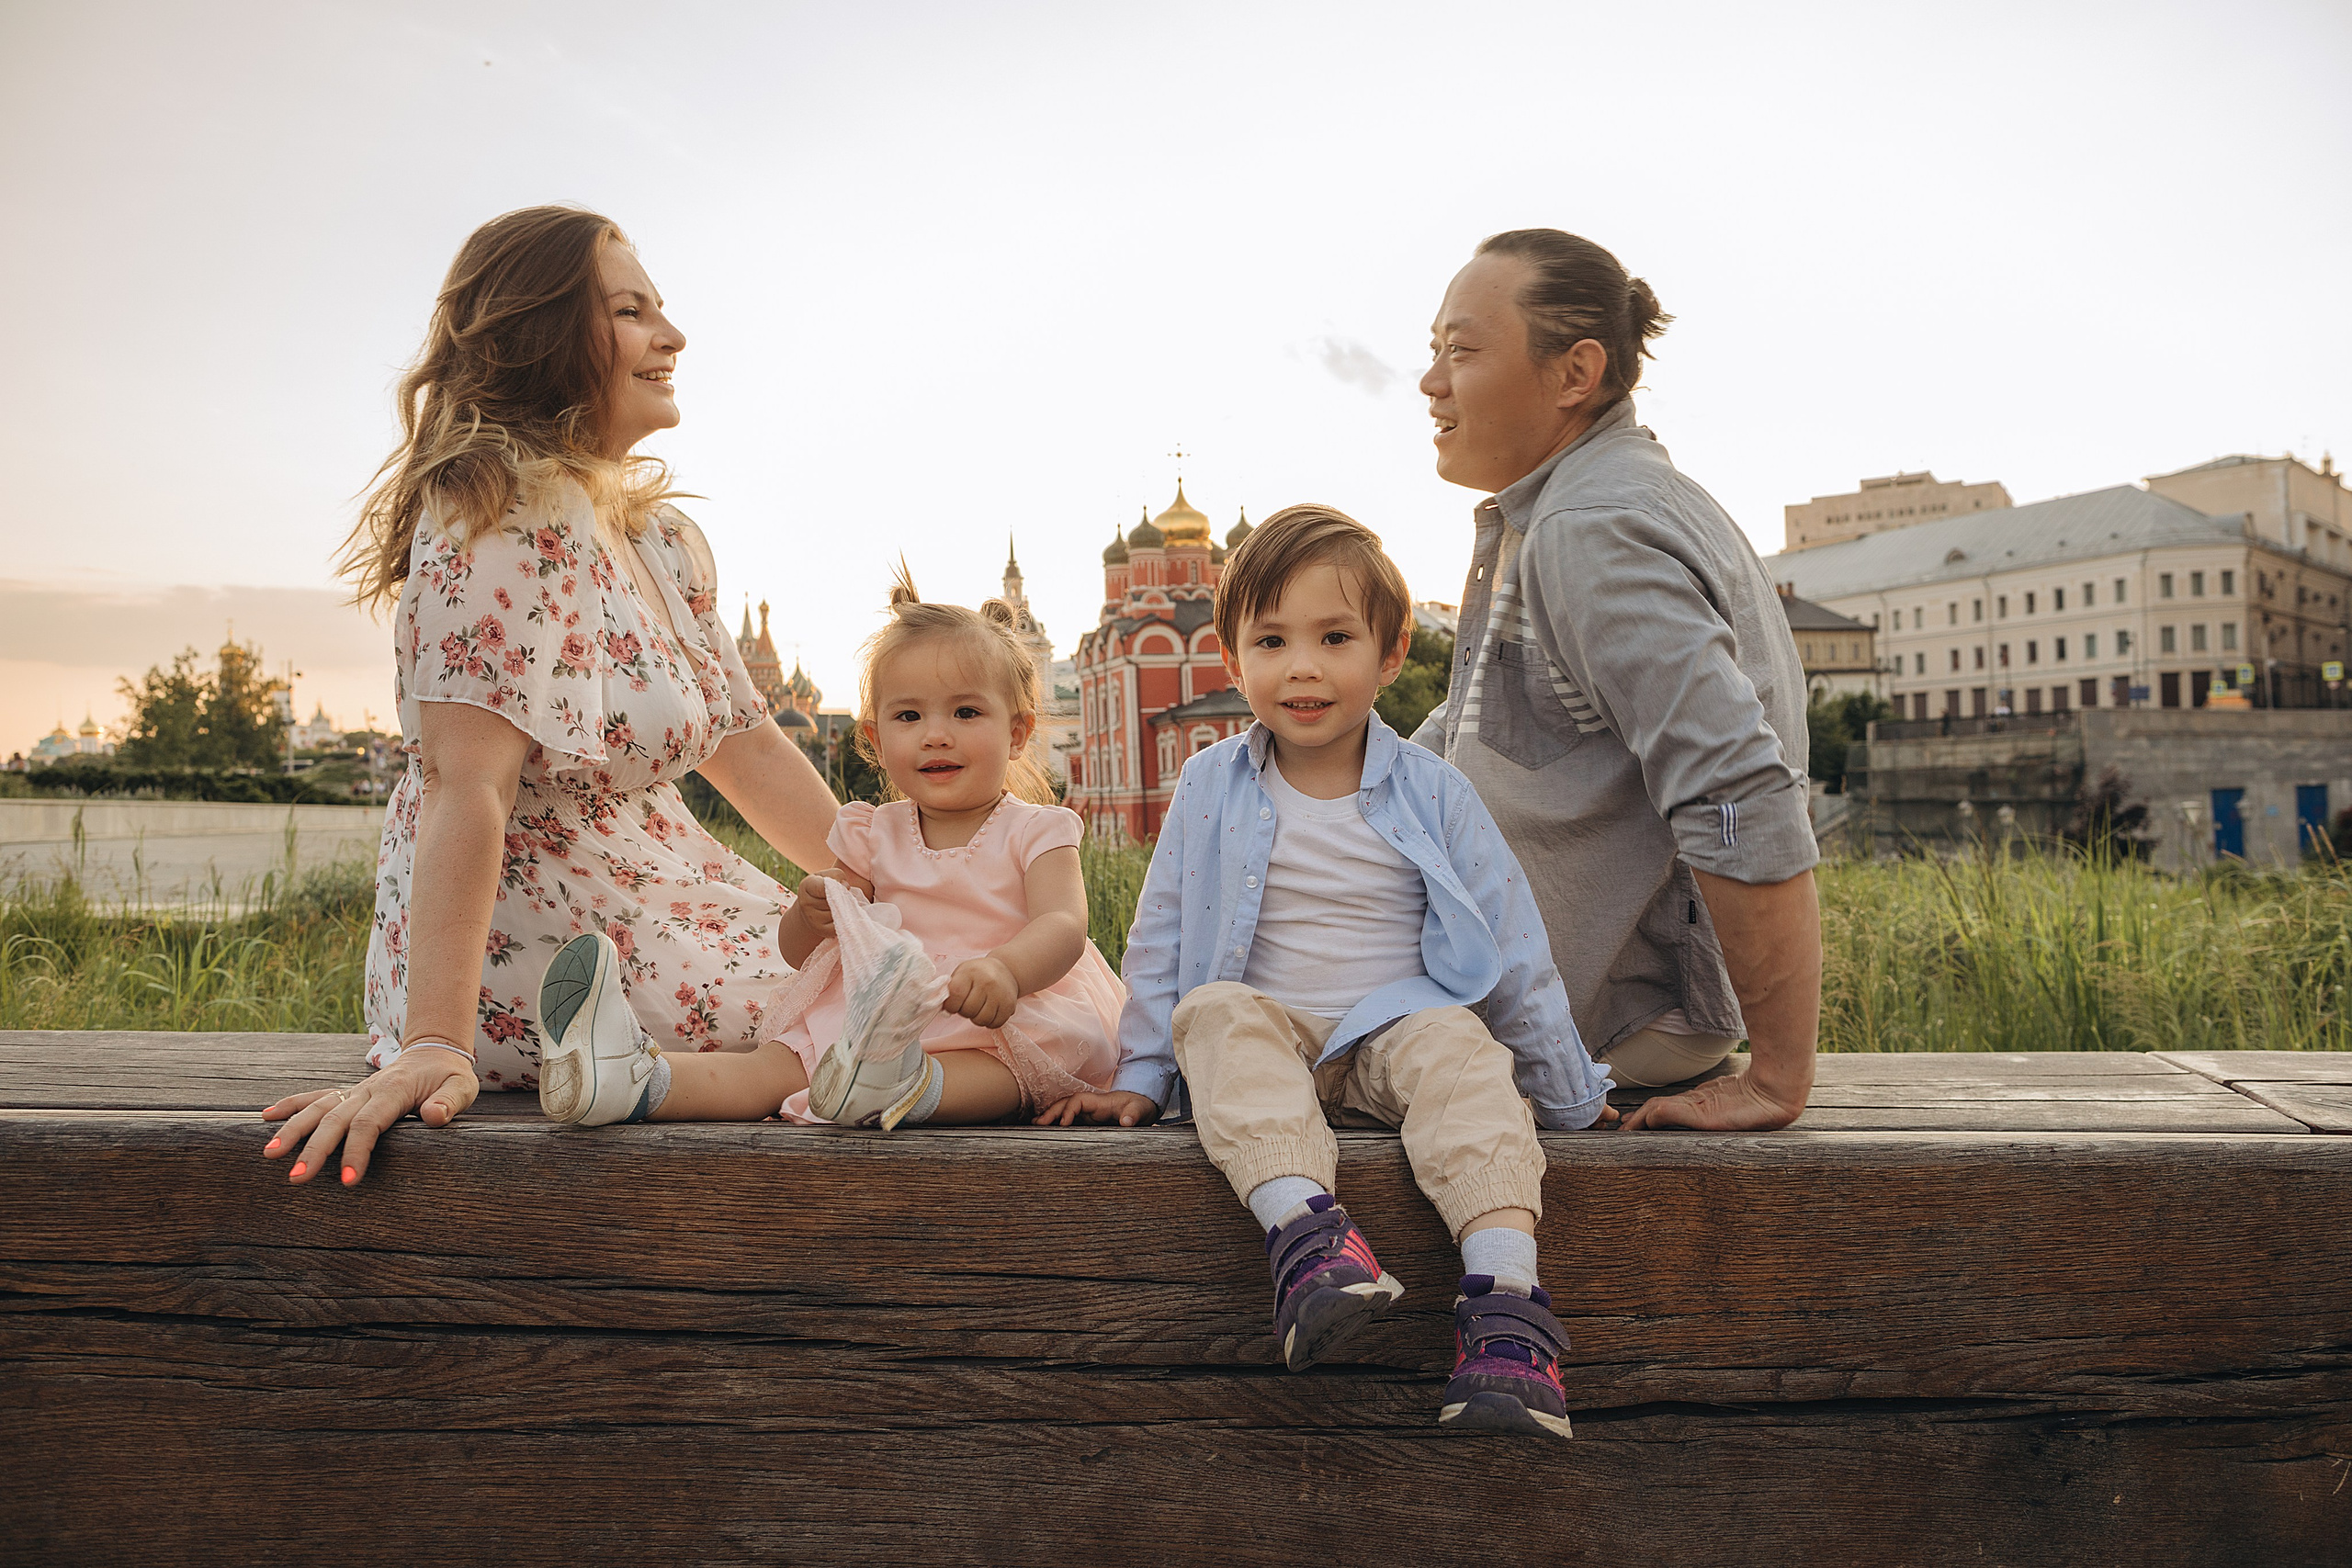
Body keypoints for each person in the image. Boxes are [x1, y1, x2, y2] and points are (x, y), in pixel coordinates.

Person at [261, 206, 845, 1185]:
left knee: (926, 957)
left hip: (661, 895)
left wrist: (899, 880)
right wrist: (434, 1043)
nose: (673, 336)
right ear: (544, 338)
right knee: (891, 1004)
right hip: (535, 940)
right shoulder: (494, 510)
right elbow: (465, 785)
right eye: (630, 311)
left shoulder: (661, 543)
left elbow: (745, 746)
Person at [1041, 506, 1613, 1441]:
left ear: (1390, 656)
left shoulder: (1434, 790)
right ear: (1231, 661)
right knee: (1213, 1011)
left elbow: (1512, 943)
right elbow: (1160, 936)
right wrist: (1139, 1079)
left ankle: (1507, 1313)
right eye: (1271, 640)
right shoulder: (1208, 784)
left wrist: (1568, 1093)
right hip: (1272, 1038)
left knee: (1462, 1046)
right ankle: (1310, 1242)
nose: (1300, 666)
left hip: (1395, 1028)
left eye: (1334, 637)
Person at [1414, 229, 1822, 1131]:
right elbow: (1470, 729)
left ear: (1574, 373)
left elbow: (1735, 789)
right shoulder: (1572, 508)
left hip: (1604, 1012)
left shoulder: (1591, 531)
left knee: (1221, 1044)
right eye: (1432, 351)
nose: (1430, 382)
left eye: (1461, 351)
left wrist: (1776, 1081)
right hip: (1571, 993)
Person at [535, 572, 1125, 1130]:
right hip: (872, 1021)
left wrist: (1007, 970)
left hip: (994, 1012)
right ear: (875, 737)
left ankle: (900, 1084)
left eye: (966, 712)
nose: (935, 733)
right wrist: (810, 913)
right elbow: (801, 955)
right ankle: (631, 1078)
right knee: (773, 1067)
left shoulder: (1038, 830)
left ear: (1017, 732)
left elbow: (1063, 923)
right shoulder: (871, 833)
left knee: (1006, 1074)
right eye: (909, 715)